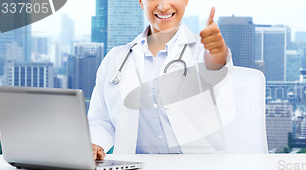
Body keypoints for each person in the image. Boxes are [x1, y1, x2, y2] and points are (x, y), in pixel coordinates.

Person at [88, 0, 234, 160]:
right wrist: (96, 144)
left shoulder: (200, 50)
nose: (164, 6)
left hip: (198, 165)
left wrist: (216, 51)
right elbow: (101, 118)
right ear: (141, 2)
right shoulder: (116, 58)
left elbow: (214, 68)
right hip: (137, 167)